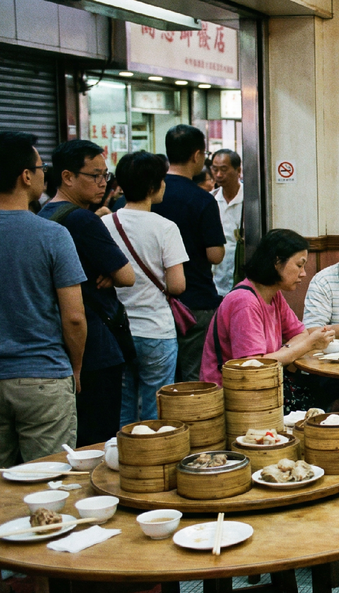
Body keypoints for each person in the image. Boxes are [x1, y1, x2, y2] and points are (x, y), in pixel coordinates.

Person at [0, 132, 87, 593]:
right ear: (26, 176)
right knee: (48, 485)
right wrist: (75, 368)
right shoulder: (51, 235)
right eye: (41, 167)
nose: (44, 174)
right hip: (43, 376)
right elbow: (73, 318)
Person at [38, 140, 136, 445]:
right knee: (97, 439)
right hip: (96, 346)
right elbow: (127, 275)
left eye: (106, 176)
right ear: (67, 177)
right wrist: (110, 273)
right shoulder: (83, 220)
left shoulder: (43, 216)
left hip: (55, 343)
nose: (103, 184)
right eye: (95, 176)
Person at [104, 152, 191, 423]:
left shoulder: (105, 224)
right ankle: (153, 457)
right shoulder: (165, 228)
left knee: (124, 403)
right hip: (155, 329)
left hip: (116, 329)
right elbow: (177, 286)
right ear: (152, 187)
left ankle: (122, 457)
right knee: (155, 403)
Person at [201, 229, 334, 385]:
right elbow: (254, 366)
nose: (303, 273)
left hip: (263, 385)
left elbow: (301, 333)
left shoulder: (273, 295)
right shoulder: (245, 302)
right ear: (277, 263)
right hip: (231, 393)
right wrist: (308, 345)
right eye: (299, 265)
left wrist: (287, 351)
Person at [150, 125, 226, 382]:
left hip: (150, 302)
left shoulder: (146, 195)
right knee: (194, 378)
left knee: (156, 381)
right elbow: (215, 255)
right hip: (195, 300)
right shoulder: (203, 199)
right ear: (197, 155)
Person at [210, 149, 244, 295]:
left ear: (238, 170)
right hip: (216, 278)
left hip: (243, 275)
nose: (218, 175)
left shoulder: (250, 199)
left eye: (224, 169)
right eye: (215, 169)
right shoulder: (210, 200)